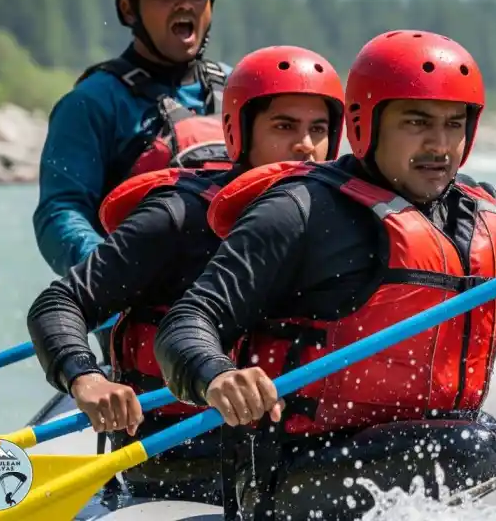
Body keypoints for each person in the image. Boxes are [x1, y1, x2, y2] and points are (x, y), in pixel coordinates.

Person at [154, 30, 496, 519]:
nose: (440, 145)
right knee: (464, 451)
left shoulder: (489, 210)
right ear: (365, 122)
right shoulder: (300, 211)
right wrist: (218, 375)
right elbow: (187, 323)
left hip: (442, 446)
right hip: (291, 472)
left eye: (454, 123)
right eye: (416, 122)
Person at [25, 46, 346, 504]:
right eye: (284, 126)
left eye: (318, 129)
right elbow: (59, 304)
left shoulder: (345, 222)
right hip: (184, 465)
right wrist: (87, 379)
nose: (305, 147)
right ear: (238, 133)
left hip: (297, 461)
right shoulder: (178, 216)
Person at [33, 0, 231, 277]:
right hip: (142, 305)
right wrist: (112, 272)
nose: (184, 3)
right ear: (128, 9)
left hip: (235, 297)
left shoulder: (241, 88)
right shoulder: (91, 103)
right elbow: (60, 210)